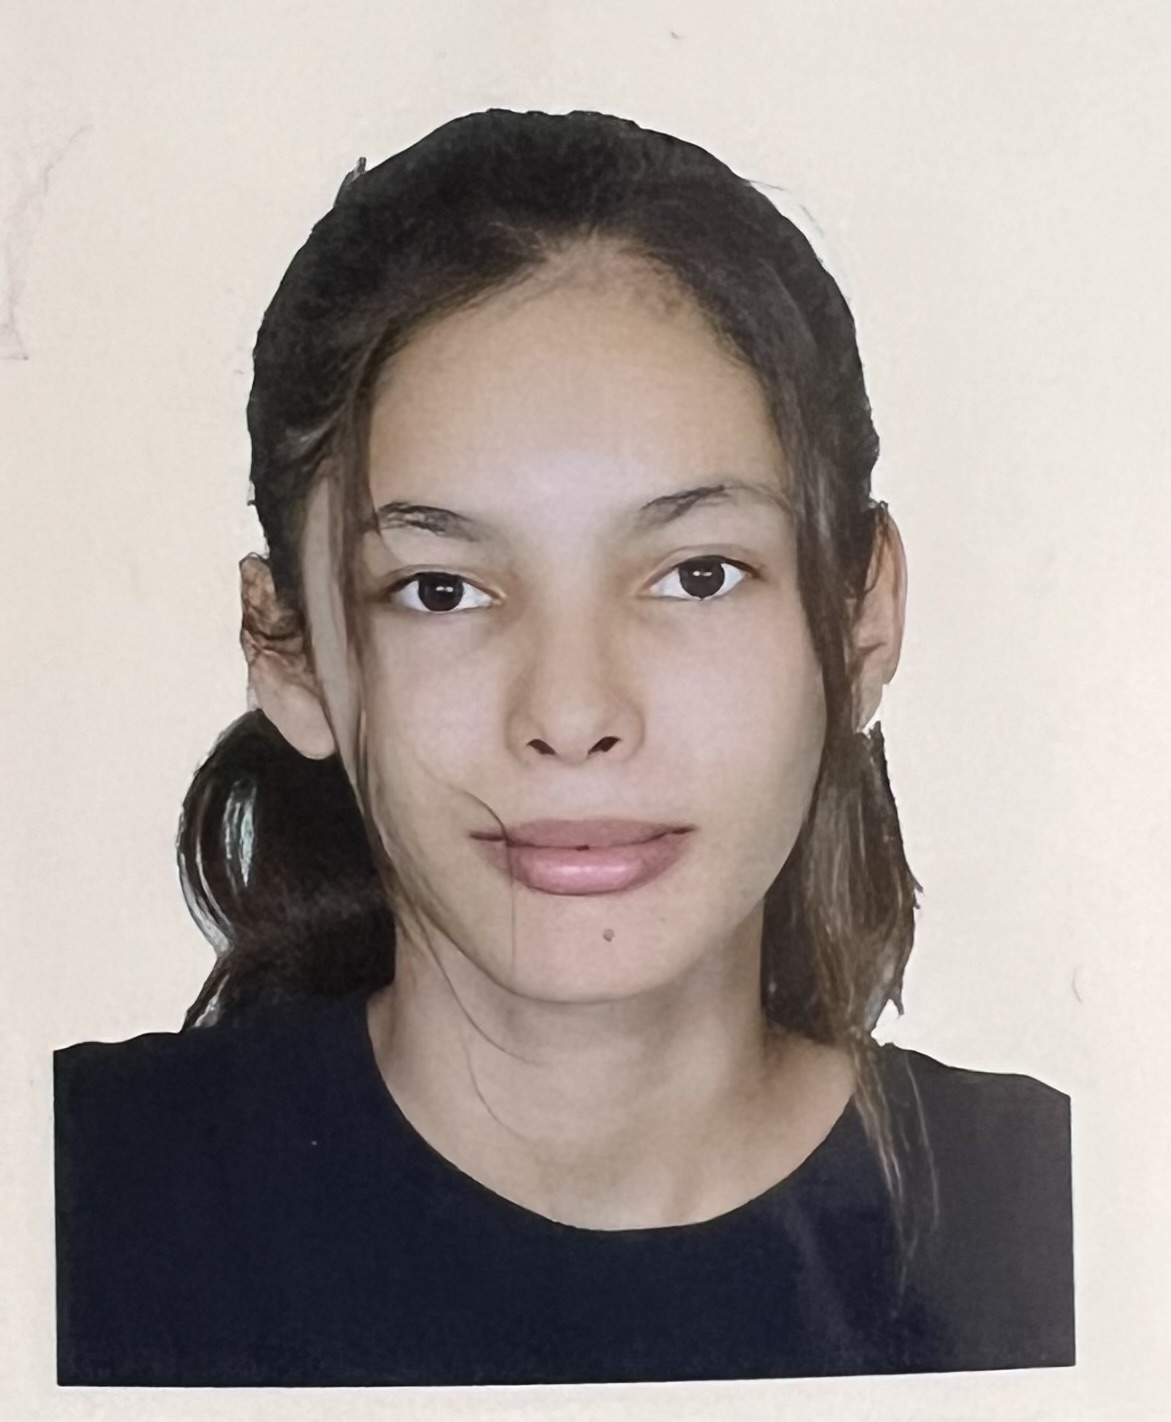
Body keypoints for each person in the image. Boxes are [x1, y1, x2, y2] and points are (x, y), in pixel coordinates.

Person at [53, 107, 1074, 1387]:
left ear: (861, 616)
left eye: (697, 574)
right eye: (440, 590)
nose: (575, 712)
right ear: (290, 651)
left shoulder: (1080, 1215)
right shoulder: (59, 1199)